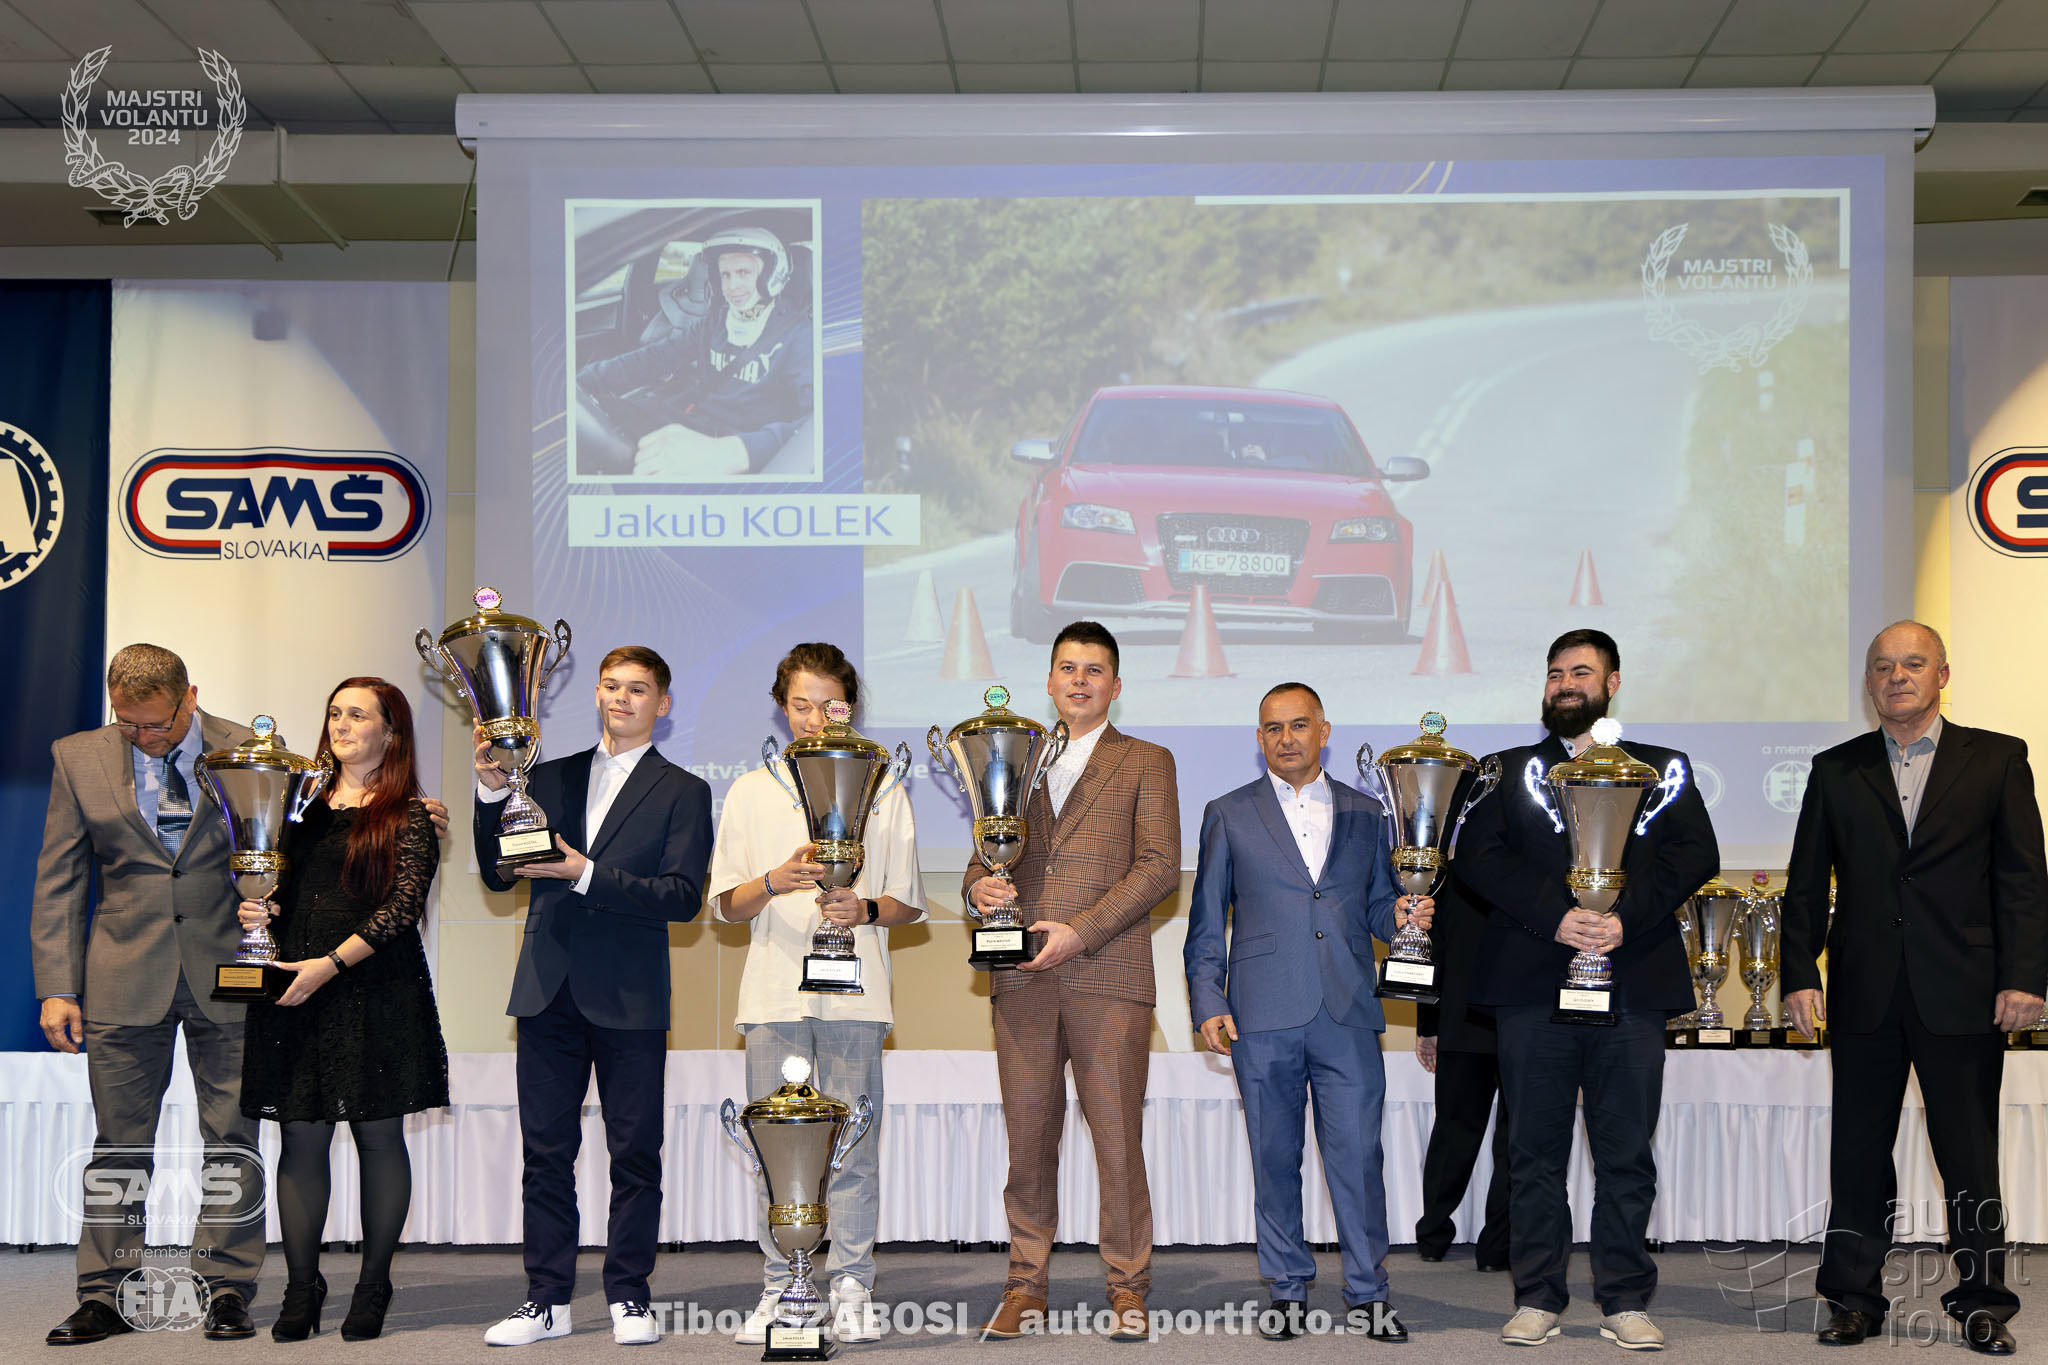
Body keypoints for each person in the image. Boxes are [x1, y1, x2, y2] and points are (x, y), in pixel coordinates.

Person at [1781, 621, 2046, 1356]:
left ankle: (1984, 1303)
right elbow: (1806, 884)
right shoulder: (1835, 769)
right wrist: (1798, 973)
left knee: (1969, 1156)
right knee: (1858, 1153)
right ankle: (1853, 1299)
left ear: (1942, 675)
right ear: (1868, 682)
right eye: (1882, 666)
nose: (1896, 676)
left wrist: (2026, 977)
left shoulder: (1997, 758)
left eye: (1912, 663)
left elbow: (2024, 880)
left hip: (1963, 988)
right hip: (1864, 989)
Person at [1453, 629, 1717, 1351]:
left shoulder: (1662, 769)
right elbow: (1477, 856)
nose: (1565, 684)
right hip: (1533, 988)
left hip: (1632, 985)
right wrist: (1557, 916)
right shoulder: (1507, 771)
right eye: (1555, 673)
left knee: (1625, 1153)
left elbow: (1697, 852)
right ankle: (1537, 1296)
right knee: (1532, 1154)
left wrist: (1624, 919)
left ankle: (1624, 1298)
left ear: (1612, 682)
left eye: (1580, 671)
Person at [475, 645, 713, 1348]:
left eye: (637, 688)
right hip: (546, 988)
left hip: (630, 995)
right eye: (611, 685)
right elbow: (496, 873)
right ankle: (546, 1298)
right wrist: (490, 794)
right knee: (545, 1152)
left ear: (662, 704)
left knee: (635, 1152)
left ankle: (629, 1294)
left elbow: (681, 897)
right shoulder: (546, 775)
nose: (621, 698)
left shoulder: (684, 790)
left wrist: (584, 872)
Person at [30, 644, 266, 1344]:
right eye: (127, 723)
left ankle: (226, 1285)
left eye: (157, 724)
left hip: (229, 967)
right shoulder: (77, 756)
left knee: (232, 1139)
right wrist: (57, 986)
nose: (142, 737)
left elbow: (285, 848)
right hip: (121, 972)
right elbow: (61, 876)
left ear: (190, 696)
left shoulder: (247, 747)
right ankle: (105, 1293)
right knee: (119, 1145)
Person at [1184, 681, 1431, 1341]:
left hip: (1347, 1010)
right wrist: (1207, 997)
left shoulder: (1368, 812)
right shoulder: (1227, 812)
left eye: (1299, 725)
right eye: (1273, 728)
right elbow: (1206, 918)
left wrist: (1403, 917)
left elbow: (1377, 907)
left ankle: (1369, 1292)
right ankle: (1287, 1289)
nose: (1286, 738)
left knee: (1358, 1159)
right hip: (1260, 1013)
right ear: (1259, 738)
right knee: (1274, 1158)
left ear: (1324, 731)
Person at [709, 642, 928, 1346]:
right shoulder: (751, 790)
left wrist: (865, 909)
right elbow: (725, 906)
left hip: (856, 995)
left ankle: (854, 1284)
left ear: (849, 707)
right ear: (782, 707)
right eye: (799, 705)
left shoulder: (883, 787)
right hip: (773, 995)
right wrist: (773, 881)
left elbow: (909, 903)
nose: (812, 718)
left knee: (854, 1145)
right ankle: (782, 1288)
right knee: (778, 1149)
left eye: (827, 705)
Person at [967, 620, 1180, 1342]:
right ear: (1051, 680)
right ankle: (1025, 1286)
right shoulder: (1015, 757)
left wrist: (1080, 931)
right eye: (1067, 668)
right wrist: (978, 891)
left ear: (1115, 686)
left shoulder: (1147, 759)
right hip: (1022, 978)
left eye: (1094, 670)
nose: (1080, 680)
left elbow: (1160, 865)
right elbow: (983, 856)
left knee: (1117, 1139)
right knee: (1028, 1138)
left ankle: (1128, 1286)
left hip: (1108, 971)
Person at [235, 676, 448, 1342]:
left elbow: (402, 909)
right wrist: (257, 911)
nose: (342, 724)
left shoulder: (412, 814)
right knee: (300, 1136)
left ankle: (373, 1284)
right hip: (293, 986)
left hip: (373, 988)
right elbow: (271, 882)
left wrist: (329, 964)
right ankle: (302, 1285)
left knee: (378, 1136)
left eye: (358, 714)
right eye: (335, 713)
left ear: (391, 731)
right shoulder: (293, 805)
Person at [577, 226, 813, 480]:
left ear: (772, 275)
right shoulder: (716, 321)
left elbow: (818, 423)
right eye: (725, 275)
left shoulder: (800, 335)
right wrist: (586, 378)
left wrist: (736, 453)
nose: (732, 286)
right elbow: (656, 357)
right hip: (696, 425)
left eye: (743, 273)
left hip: (742, 444)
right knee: (602, 415)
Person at [1412, 872, 1512, 1275]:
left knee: (1453, 1133)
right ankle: (1497, 1247)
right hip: (1520, 1019)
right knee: (1514, 1140)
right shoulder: (1536, 867)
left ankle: (1433, 1237)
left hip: (1463, 1019)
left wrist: (1427, 1025)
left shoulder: (1449, 877)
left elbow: (1432, 951)